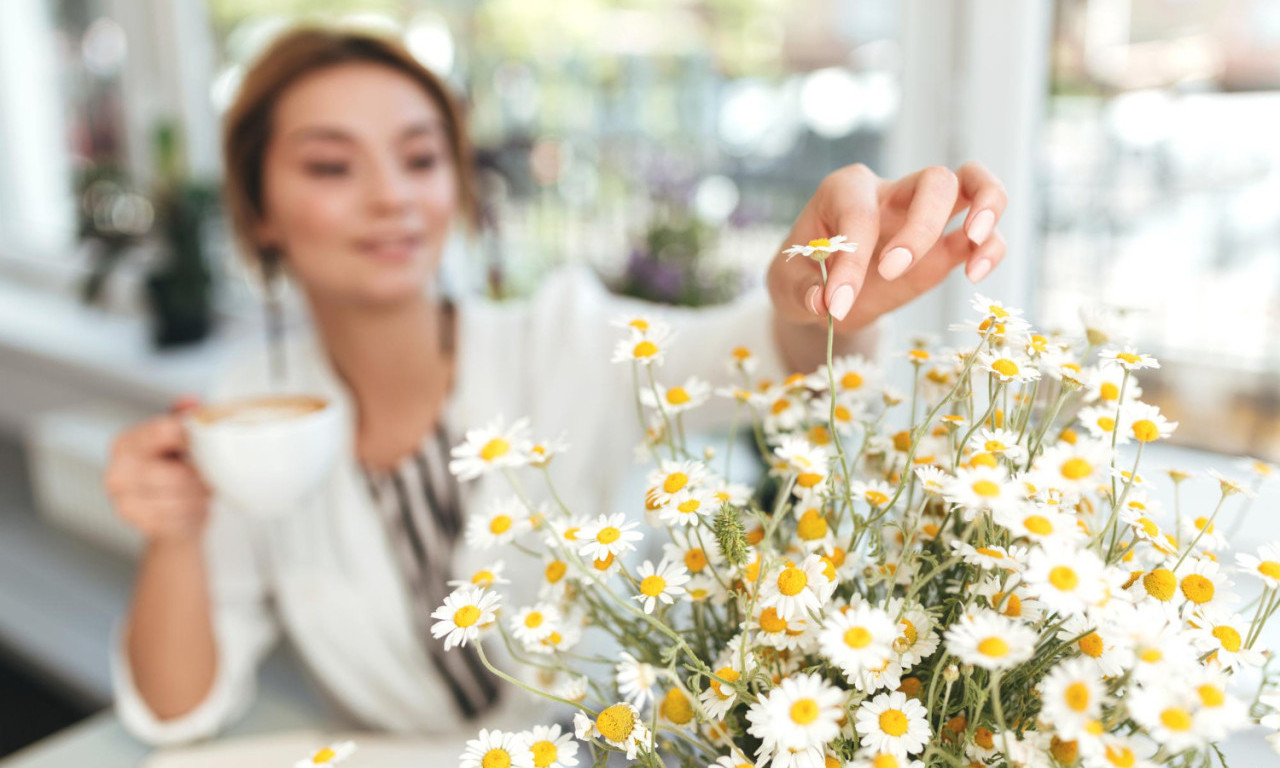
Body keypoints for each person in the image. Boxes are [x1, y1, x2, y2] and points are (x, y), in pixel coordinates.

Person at [103, 26, 1009, 748]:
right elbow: (176, 711)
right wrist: (173, 530)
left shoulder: (561, 338)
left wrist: (816, 299)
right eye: (331, 166)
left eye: (420, 158)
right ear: (257, 208)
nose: (391, 196)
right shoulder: (247, 419)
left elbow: (762, 361)